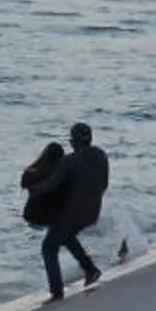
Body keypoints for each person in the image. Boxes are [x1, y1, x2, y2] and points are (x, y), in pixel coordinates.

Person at [32, 124, 108, 301]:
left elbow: (51, 185)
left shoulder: (69, 161)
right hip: (93, 212)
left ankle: (56, 292)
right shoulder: (101, 155)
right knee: (65, 236)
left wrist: (35, 189)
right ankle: (90, 269)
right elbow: (104, 185)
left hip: (72, 214)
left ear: (73, 141)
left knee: (48, 247)